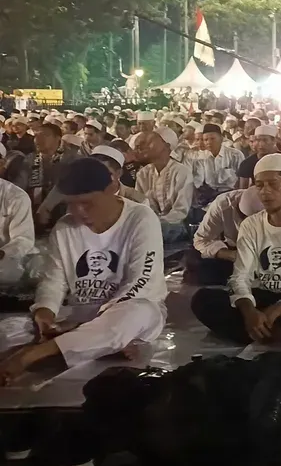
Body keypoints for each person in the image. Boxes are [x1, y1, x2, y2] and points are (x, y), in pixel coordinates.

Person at [1, 158, 167, 387]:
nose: (79, 212)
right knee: (10, 330)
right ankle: (96, 344)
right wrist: (45, 314)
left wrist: (93, 322)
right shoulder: (65, 228)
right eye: (71, 204)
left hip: (130, 309)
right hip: (78, 316)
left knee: (138, 313)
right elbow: (53, 282)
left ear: (110, 189)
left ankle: (34, 354)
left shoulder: (141, 218)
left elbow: (141, 284)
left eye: (87, 203)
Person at [191, 154, 281, 345]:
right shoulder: (251, 225)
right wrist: (249, 310)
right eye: (259, 185)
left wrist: (279, 307)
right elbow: (240, 275)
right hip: (262, 295)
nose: (265, 191)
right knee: (203, 299)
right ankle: (279, 333)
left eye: (273, 184)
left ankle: (259, 332)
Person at [184, 187, 264, 286]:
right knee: (195, 262)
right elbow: (201, 240)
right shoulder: (223, 204)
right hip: (233, 253)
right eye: (243, 218)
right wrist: (231, 255)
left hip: (264, 257)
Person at [133, 128, 193, 243]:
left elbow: (180, 213)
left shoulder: (181, 172)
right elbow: (140, 205)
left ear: (166, 145)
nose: (142, 145)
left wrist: (155, 223)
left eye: (149, 141)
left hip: (176, 227)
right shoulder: (143, 173)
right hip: (148, 224)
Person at [0, 157, 37, 289]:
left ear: (1, 164)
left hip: (5, 264)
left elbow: (24, 239)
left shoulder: (16, 196)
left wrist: (3, 253)